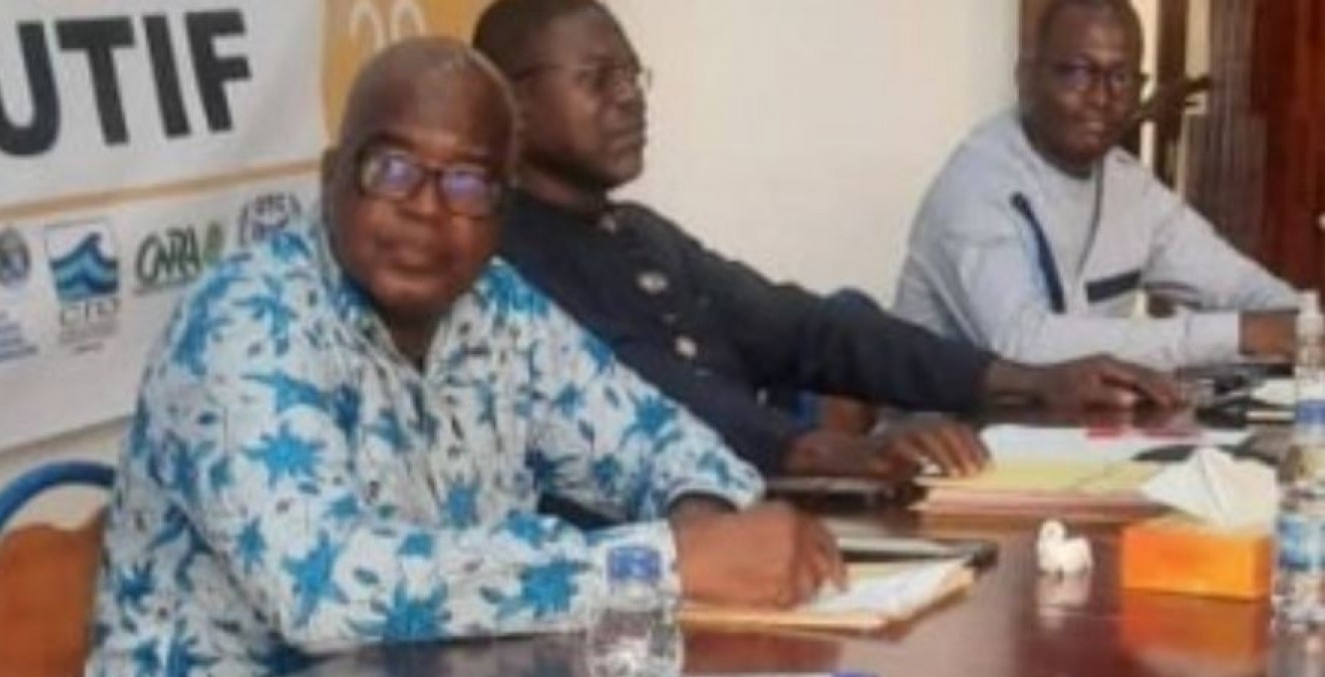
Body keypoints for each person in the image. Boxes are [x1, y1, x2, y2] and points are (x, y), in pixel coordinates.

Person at [84, 38, 841, 677]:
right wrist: (663, 564)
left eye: (467, 183)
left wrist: (701, 529)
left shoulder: (499, 307)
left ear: (501, 211)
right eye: (392, 169)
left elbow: (668, 445)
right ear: (331, 175)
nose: (426, 208)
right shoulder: (243, 321)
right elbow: (324, 586)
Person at [470, 0, 1181, 482]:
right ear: (510, 103)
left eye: (632, 74)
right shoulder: (498, 256)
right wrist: (832, 452)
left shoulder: (638, 233)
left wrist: (1029, 379)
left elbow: (807, 328)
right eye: (598, 79)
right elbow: (645, 389)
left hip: (759, 514)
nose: (630, 96)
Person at [894, 0, 1298, 371]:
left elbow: (1249, 292)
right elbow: (1023, 344)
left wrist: (1296, 324)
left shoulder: (1131, 188)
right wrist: (1236, 335)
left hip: (1068, 423)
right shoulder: (977, 184)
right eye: (1078, 73)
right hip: (945, 423)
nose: (1102, 98)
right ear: (1026, 77)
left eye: (1120, 77)